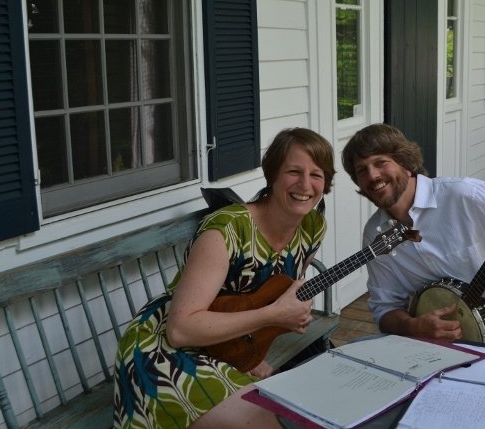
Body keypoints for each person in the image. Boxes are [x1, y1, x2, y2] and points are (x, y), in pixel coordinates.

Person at [112, 127, 336, 428]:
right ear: (272, 176)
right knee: (267, 421)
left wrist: (267, 337)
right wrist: (274, 314)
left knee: (300, 415)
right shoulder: (226, 230)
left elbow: (275, 293)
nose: (305, 184)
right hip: (166, 350)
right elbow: (180, 330)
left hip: (229, 343)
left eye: (317, 174)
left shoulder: (312, 227)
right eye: (293, 171)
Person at [341, 124, 485, 355]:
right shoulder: (376, 233)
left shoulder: (465, 195)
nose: (372, 175)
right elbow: (385, 308)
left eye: (381, 163)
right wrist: (412, 326)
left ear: (405, 162)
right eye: (362, 170)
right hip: (438, 349)